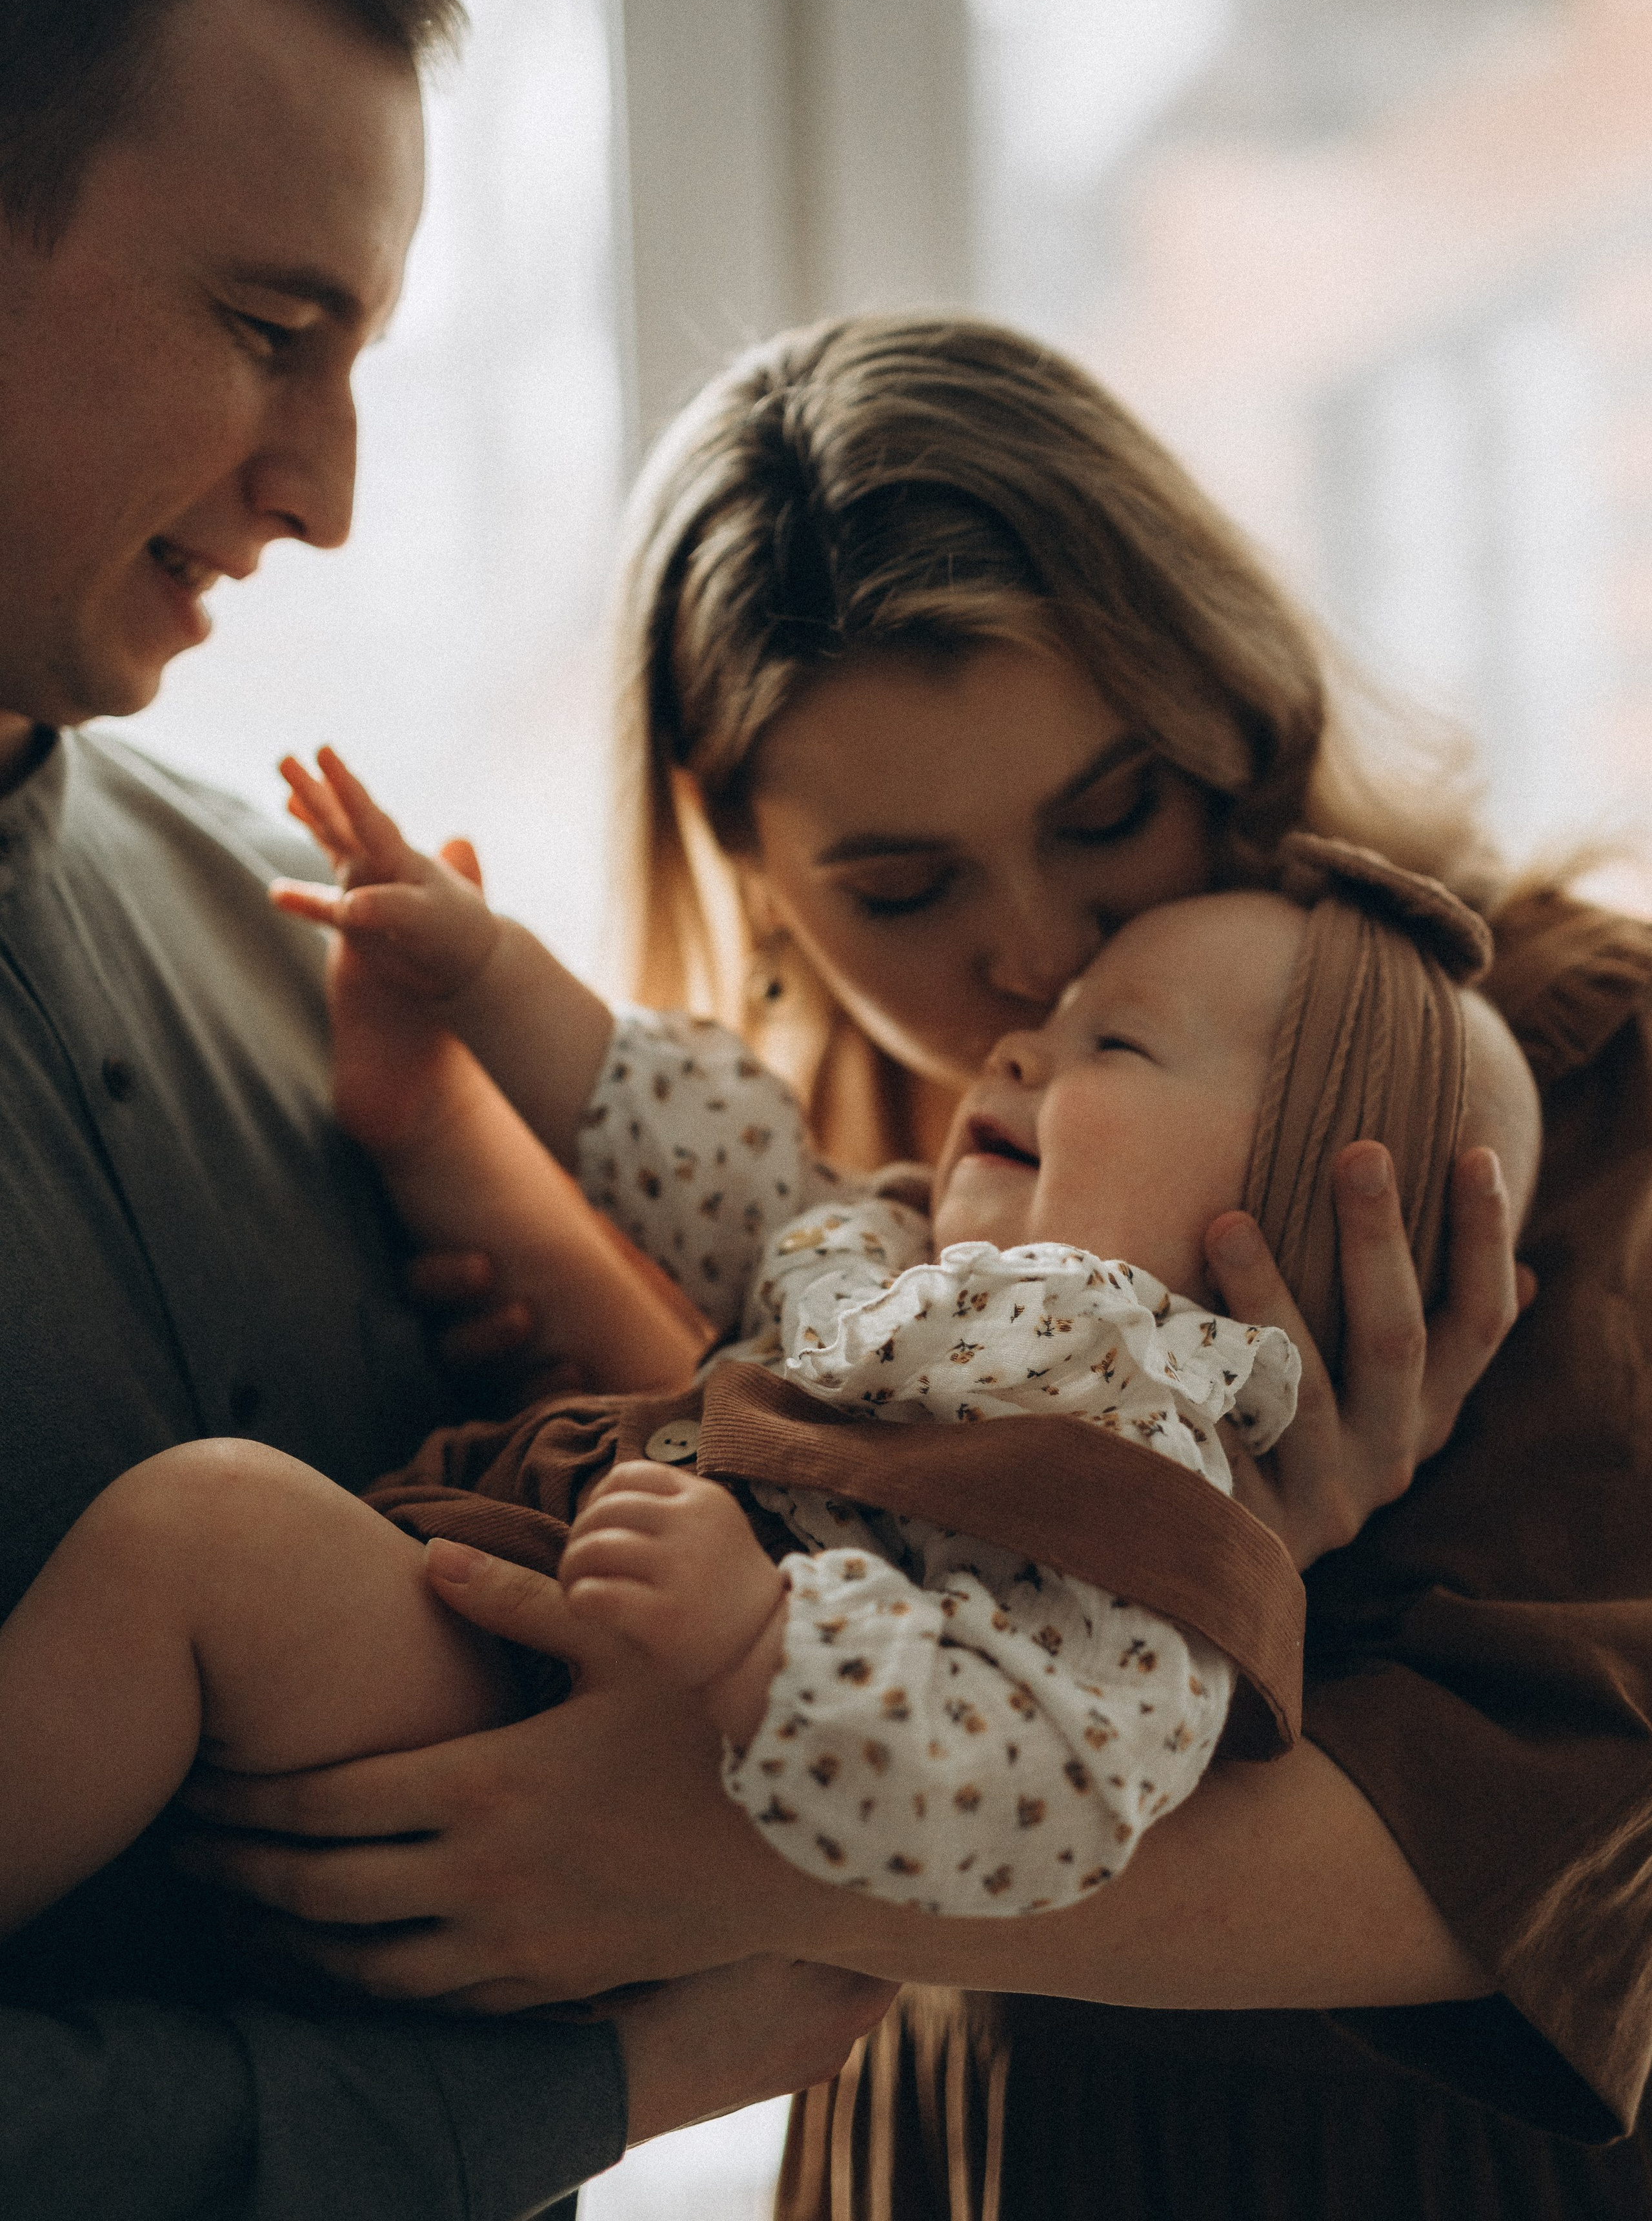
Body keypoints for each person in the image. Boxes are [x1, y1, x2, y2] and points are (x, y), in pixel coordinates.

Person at [183, 316, 1652, 2221]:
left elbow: (1588, 1832)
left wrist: (732, 1860)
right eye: (901, 890)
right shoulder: (926, 1132)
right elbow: (772, 1452)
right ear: (755, 873)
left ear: (1236, 702)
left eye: (1109, 812)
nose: (1032, 961)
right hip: (950, 2145)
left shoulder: (1574, 1079)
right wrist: (434, 1126)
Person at [0, 0, 891, 2216]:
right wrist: (594, 2079)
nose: (331, 487)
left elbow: (675, 1447)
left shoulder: (314, 950)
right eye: (269, 328)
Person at [0, 767, 1539, 1950]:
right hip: (519, 1616)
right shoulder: (895, 1264)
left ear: (1285, 1217)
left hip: (574, 1724)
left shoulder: (1144, 1487)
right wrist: (481, 971)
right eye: (1057, 1022)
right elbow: (678, 1135)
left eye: (1112, 1047)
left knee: (203, 1537)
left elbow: (1040, 1786)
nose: (1017, 1045)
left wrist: (754, 1648)